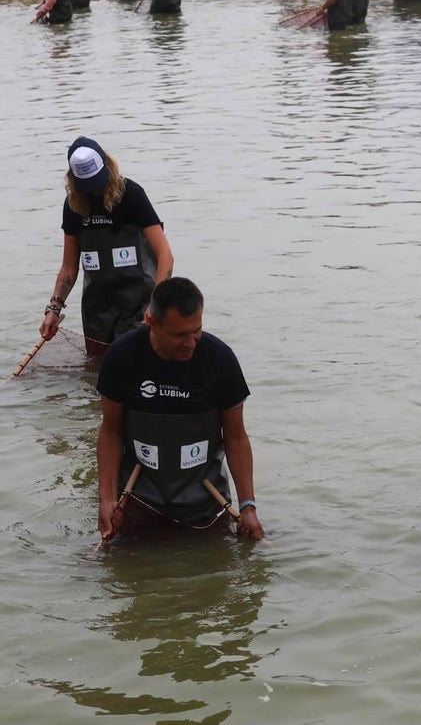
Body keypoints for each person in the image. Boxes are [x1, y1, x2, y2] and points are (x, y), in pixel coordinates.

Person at [97, 277, 265, 542]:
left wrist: (248, 507)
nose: (190, 343)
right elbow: (111, 433)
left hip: (206, 501)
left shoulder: (220, 359)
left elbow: (236, 438)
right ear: (151, 321)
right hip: (138, 501)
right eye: (179, 335)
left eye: (196, 330)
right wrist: (107, 500)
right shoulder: (121, 356)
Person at [40, 137, 174, 356]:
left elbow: (165, 254)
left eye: (98, 181)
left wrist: (156, 304)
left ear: (107, 165)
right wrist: (54, 308)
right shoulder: (73, 205)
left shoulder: (131, 194)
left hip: (139, 305)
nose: (95, 190)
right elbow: (69, 267)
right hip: (97, 310)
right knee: (99, 374)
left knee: (136, 366)